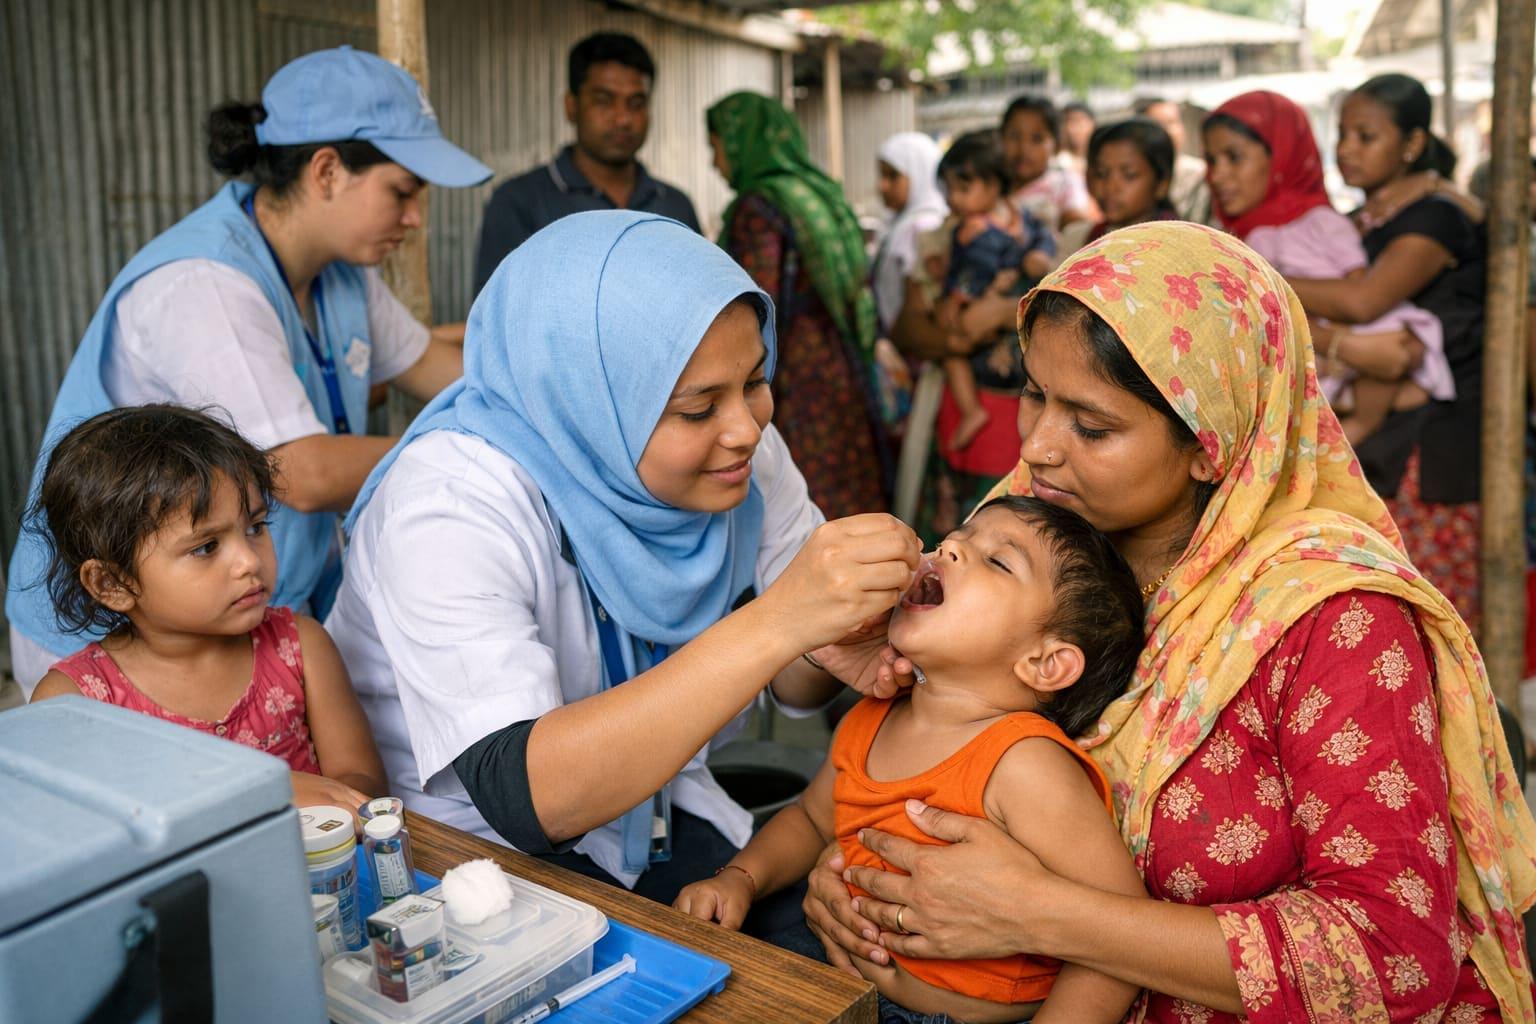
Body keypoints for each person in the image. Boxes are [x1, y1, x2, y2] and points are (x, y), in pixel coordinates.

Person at [800, 222, 1536, 1023]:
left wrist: (1036, 913)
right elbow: (892, 743)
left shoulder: (1335, 622)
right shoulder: (1024, 532)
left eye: (1091, 425)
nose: (1040, 446)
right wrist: (848, 870)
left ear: (1210, 446)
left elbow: (1391, 952)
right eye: (1034, 395)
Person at [326, 210, 922, 916]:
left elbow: (796, 683)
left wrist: (827, 643)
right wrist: (778, 622)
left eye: (756, 381)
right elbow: (529, 799)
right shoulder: (449, 503)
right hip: (478, 869)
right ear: (588, 401)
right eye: (697, 408)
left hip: (660, 815)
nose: (746, 427)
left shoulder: (742, 460)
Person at [4, 46, 486, 696]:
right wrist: (479, 452)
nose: (415, 218)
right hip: (119, 638)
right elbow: (302, 473)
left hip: (233, 611)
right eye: (402, 191)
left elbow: (433, 366)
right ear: (325, 171)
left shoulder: (343, 273)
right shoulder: (205, 284)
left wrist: (536, 404)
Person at [677, 496, 1148, 1023]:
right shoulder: (872, 717)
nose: (948, 546)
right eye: (957, 536)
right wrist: (739, 878)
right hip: (837, 972)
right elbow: (812, 819)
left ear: (1045, 663)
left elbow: (1114, 946)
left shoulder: (1024, 763)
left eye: (997, 560)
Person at [28, 405, 386, 814]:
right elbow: (73, 834)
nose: (249, 561)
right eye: (206, 547)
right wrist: (260, 794)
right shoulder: (77, 702)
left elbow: (364, 785)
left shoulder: (298, 648)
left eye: (255, 527)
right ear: (113, 583)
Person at [1285, 74, 1487, 633]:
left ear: (1412, 144)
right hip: (1389, 425)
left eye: (1365, 136)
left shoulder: (1438, 217)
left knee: (1431, 609)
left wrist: (1268, 276)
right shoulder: (1365, 220)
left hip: (1437, 438)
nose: (1347, 149)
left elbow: (1364, 299)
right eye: (1342, 134)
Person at [1204, 91, 1452, 448]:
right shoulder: (1229, 239)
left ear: (1282, 155)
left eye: (1233, 157)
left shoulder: (1324, 223)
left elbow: (1365, 307)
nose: (1218, 175)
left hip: (1415, 440)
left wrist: (1254, 280)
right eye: (1211, 160)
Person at [707, 91, 890, 520]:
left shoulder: (759, 208)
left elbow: (752, 306)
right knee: (850, 487)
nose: (716, 164)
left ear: (739, 142)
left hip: (794, 382)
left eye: (715, 147)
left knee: (802, 500)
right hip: (842, 367)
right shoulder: (819, 193)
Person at [471, 32, 700, 295]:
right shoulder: (519, 202)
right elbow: (494, 315)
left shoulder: (675, 205)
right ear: (571, 106)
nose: (623, 119)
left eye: (636, 103)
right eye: (604, 101)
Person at [934, 132, 1055, 452]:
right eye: (949, 189)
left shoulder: (975, 228)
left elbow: (974, 270)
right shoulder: (1021, 218)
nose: (953, 199)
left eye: (963, 188)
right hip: (1005, 317)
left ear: (994, 185)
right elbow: (1040, 237)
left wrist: (956, 297)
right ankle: (973, 411)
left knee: (954, 354)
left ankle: (972, 411)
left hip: (990, 310)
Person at [872, 132, 948, 338]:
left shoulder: (925, 227)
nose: (882, 186)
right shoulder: (896, 224)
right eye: (881, 175)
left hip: (913, 346)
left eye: (893, 176)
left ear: (920, 174)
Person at [1001, 95, 1096, 238]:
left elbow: (1080, 226)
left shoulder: (1063, 185)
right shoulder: (992, 186)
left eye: (1037, 139)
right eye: (1014, 136)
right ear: (1000, 138)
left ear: (1056, 145)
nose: (1023, 148)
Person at [1084, 117, 1180, 244]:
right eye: (1101, 174)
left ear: (1162, 184)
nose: (1110, 187)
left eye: (1129, 175)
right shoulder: (1080, 239)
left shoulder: (1180, 244)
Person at [1135, 95, 1212, 224]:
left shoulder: (1201, 174)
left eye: (1173, 122)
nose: (1169, 131)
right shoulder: (1131, 177)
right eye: (1159, 125)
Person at [1059, 101, 1097, 179]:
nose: (1073, 129)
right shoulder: (1057, 163)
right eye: (1067, 122)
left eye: (1078, 122)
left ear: (1092, 124)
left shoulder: (1103, 159)